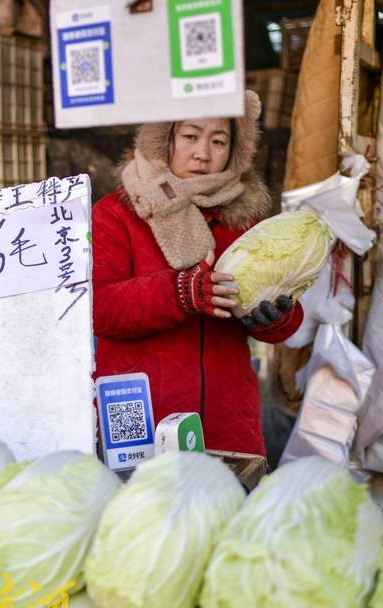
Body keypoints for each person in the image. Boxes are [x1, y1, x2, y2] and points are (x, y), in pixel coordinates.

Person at [92, 91, 303, 457]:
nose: (203, 153)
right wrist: (180, 292)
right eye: (190, 136)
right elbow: (99, 308)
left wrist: (275, 318)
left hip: (228, 423)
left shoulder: (244, 222)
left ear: (234, 152)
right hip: (143, 419)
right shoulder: (116, 215)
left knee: (228, 510)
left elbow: (287, 311)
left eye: (218, 141)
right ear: (165, 139)